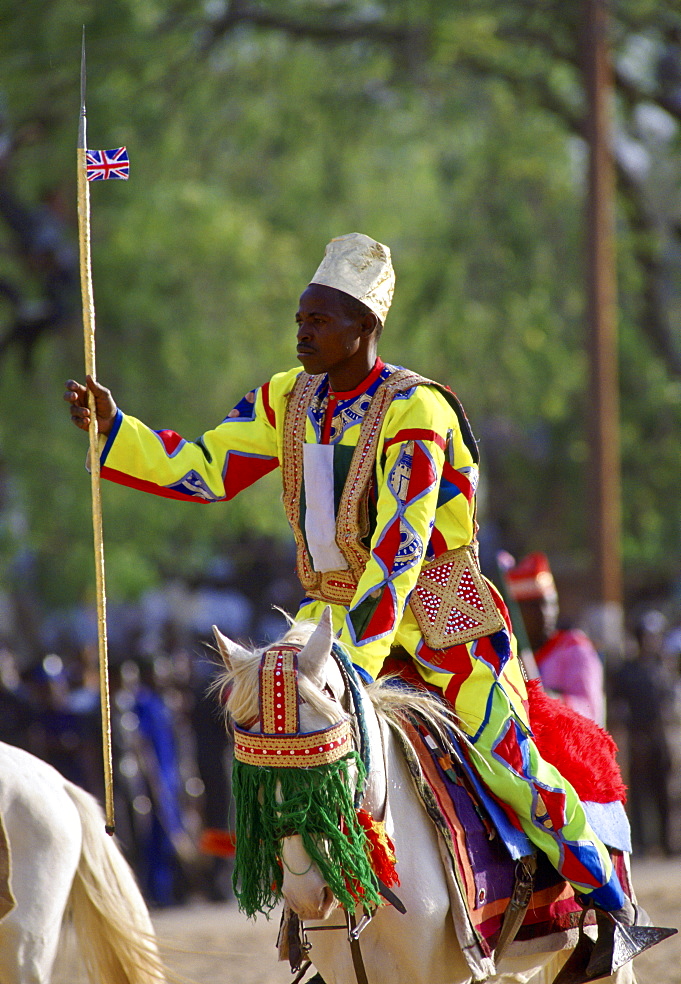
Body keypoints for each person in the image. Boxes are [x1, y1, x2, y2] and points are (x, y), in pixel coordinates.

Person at [64, 232, 660, 965]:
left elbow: (398, 550)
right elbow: (208, 467)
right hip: (327, 614)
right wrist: (113, 431)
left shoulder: (418, 411)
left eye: (318, 320)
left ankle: (605, 905)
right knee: (278, 735)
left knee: (506, 755)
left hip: (439, 616)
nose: (302, 332)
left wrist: (355, 660)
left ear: (364, 327)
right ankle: (312, 924)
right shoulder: (287, 396)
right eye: (299, 320)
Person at [506, 551, 606, 725]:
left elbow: (590, 711)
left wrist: (545, 699)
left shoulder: (575, 649)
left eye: (550, 603)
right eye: (533, 606)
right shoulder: (508, 654)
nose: (545, 613)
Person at [610, 610, 676, 856]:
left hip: (661, 736)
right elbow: (618, 706)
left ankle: (668, 842)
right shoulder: (626, 671)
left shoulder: (662, 668)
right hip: (637, 737)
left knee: (664, 791)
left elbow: (669, 703)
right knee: (638, 793)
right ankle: (641, 843)